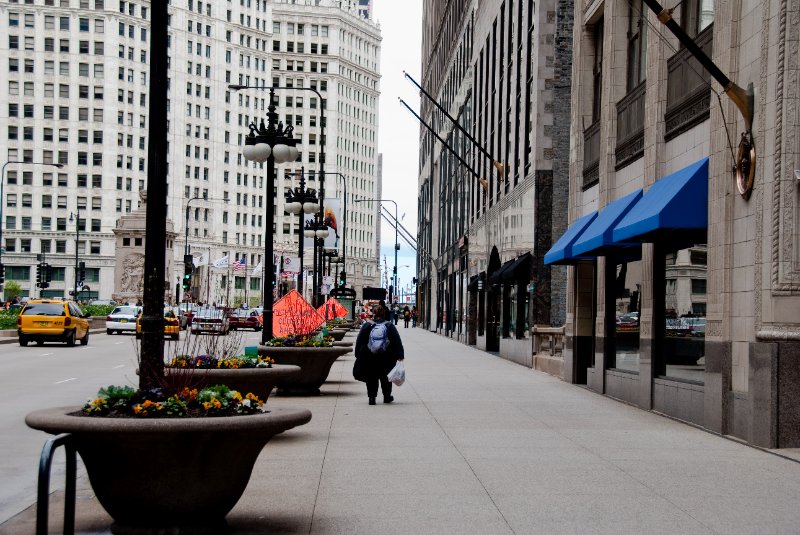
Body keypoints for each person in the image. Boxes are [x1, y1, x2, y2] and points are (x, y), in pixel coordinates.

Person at [353, 304, 405, 405]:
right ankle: (387, 396)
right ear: (384, 314)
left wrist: (358, 354)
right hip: (387, 357)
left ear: (373, 313)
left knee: (371, 377)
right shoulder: (389, 325)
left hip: (370, 357)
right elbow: (396, 341)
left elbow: (360, 341)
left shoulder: (367, 325)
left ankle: (372, 398)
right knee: (386, 377)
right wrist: (400, 354)